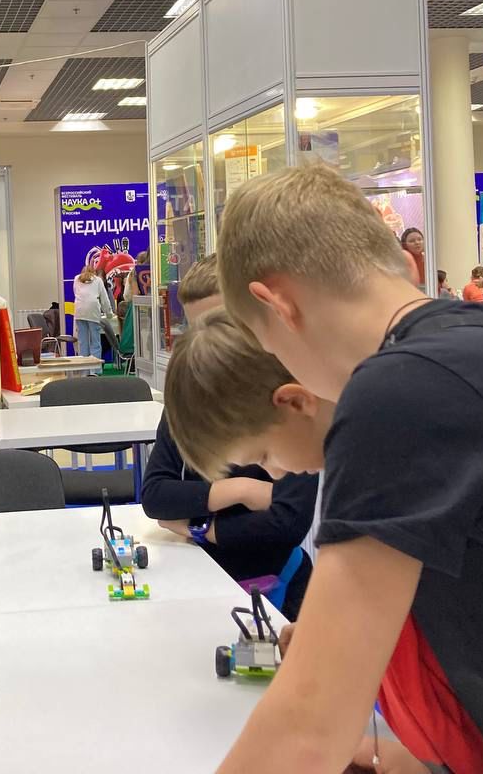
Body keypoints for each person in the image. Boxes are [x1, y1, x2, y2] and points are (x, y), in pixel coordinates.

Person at [180, 161, 483, 773]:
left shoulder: (397, 393)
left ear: (276, 305)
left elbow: (308, 728)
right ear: (405, 264)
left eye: (268, 345)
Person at [166, 312, 429, 773]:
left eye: (265, 454)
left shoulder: (378, 457)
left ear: (293, 401)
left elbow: (303, 728)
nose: (274, 473)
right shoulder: (367, 438)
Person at [140, 255, 316, 620]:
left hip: (277, 583)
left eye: (219, 327)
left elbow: (287, 520)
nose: (204, 349)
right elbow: (156, 496)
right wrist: (244, 491)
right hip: (201, 575)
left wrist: (198, 524)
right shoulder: (189, 399)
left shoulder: (292, 407)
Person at [73, 264, 112, 360]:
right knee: (95, 342)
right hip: (93, 312)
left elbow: (76, 292)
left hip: (79, 312)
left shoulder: (76, 279)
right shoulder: (98, 280)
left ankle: (84, 366)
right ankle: (95, 367)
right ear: (94, 272)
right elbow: (104, 299)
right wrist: (109, 313)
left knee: (83, 342)